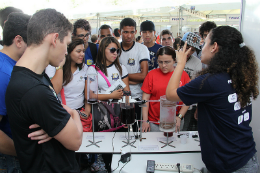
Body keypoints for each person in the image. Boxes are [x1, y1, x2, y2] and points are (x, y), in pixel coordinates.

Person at [166, 26, 259, 173]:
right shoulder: (238, 75)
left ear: (214, 47)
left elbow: (170, 94)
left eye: (205, 42)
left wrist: (181, 63)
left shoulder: (211, 81)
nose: (201, 47)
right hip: (244, 157)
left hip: (229, 165)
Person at [5, 9, 82, 172]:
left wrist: (53, 128)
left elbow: (50, 116)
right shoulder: (33, 89)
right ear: (55, 39)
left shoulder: (32, 76)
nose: (67, 52)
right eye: (67, 44)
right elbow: (75, 141)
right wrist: (74, 114)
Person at [0, 12, 52, 172]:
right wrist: (25, 152)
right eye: (34, 44)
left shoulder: (13, 67)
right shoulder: (4, 74)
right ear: (18, 40)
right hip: (14, 159)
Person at [86, 36, 129, 172]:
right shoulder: (93, 69)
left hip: (121, 114)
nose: (115, 53)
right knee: (107, 151)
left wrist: (128, 114)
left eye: (117, 50)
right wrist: (111, 95)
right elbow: (90, 95)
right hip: (102, 115)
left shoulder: (122, 68)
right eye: (112, 50)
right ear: (103, 49)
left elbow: (127, 92)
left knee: (122, 148)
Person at [141, 46, 190, 132]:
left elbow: (188, 99)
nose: (163, 65)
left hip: (175, 122)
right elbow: (145, 99)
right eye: (160, 62)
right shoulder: (151, 75)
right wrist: (145, 121)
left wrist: (180, 116)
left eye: (167, 62)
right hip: (154, 123)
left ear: (174, 60)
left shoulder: (183, 75)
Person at [118, 18, 149, 131]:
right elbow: (111, 77)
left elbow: (144, 76)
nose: (129, 35)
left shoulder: (141, 48)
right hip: (119, 97)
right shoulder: (115, 49)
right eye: (125, 32)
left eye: (132, 32)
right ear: (120, 32)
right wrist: (132, 78)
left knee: (137, 132)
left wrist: (123, 78)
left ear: (136, 32)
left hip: (137, 97)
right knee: (120, 133)